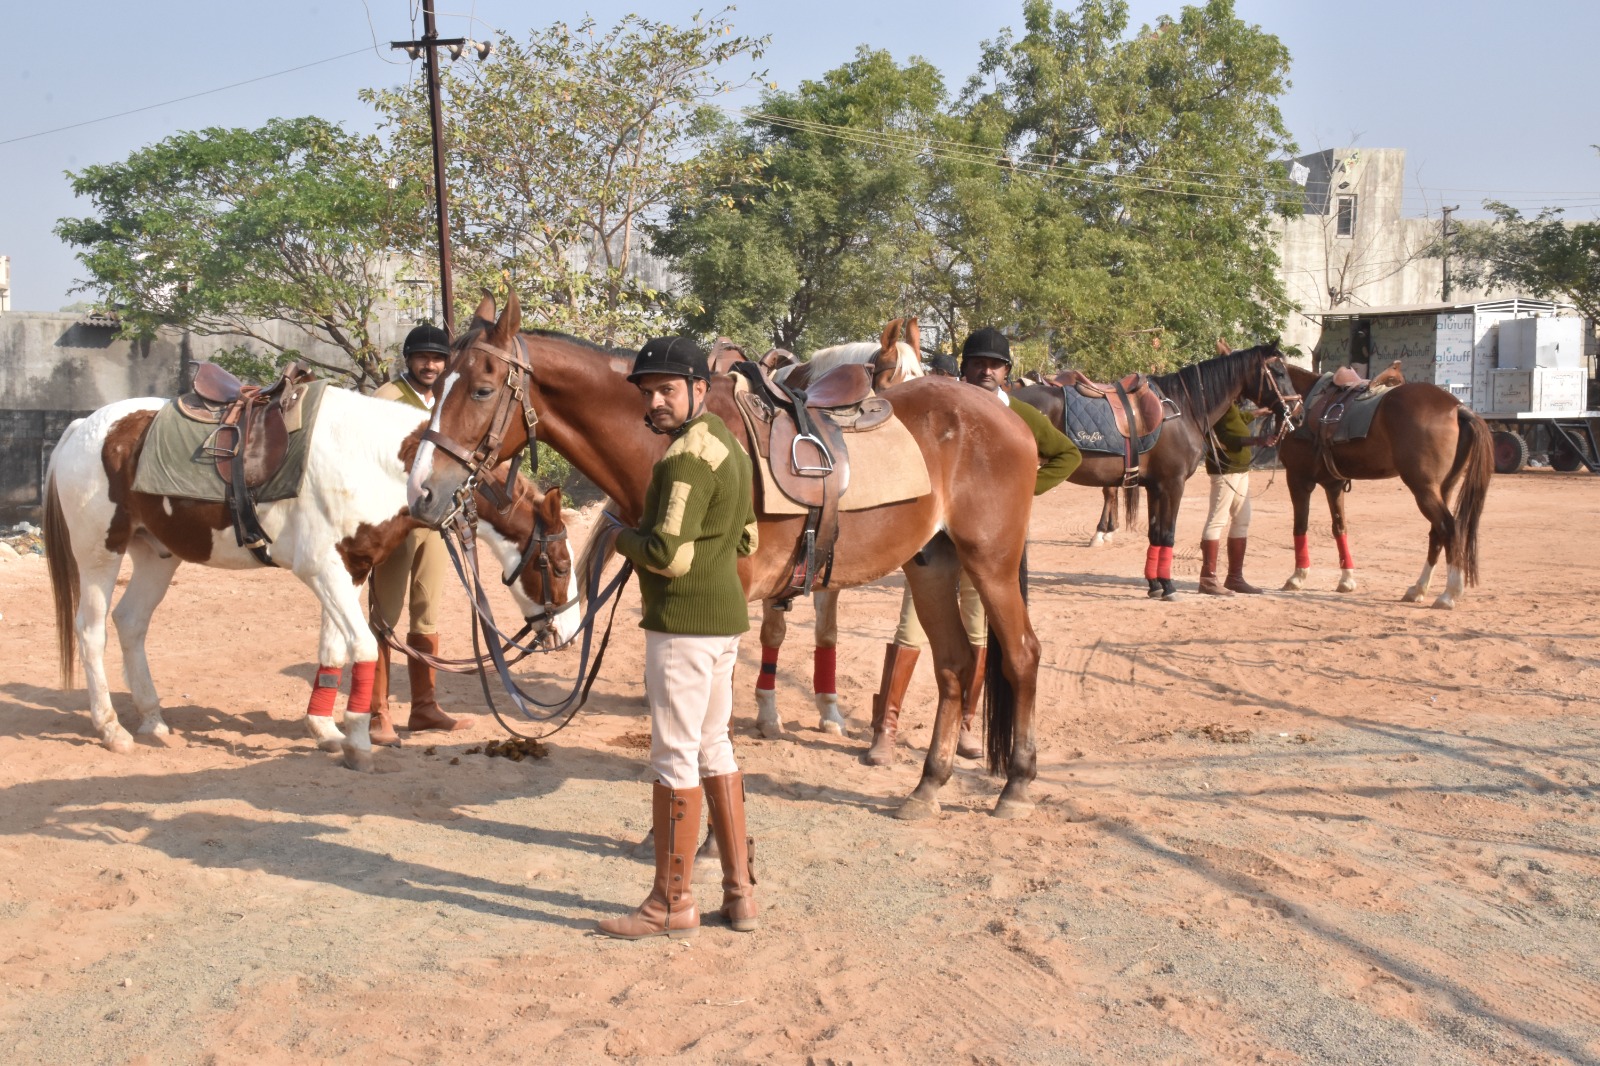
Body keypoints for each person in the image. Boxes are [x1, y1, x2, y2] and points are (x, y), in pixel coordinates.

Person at [599, 337, 759, 941]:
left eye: (668, 390)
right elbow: (745, 539)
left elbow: (666, 555)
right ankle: (739, 893)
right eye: (649, 392)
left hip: (683, 625)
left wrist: (619, 535)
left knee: (673, 756)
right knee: (715, 745)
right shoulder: (728, 445)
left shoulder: (685, 458)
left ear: (699, 389)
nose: (657, 401)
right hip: (723, 622)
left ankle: (671, 902)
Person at [865, 327, 1081, 765]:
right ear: (964, 368)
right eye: (978, 363)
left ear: (1007, 371)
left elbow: (1068, 455)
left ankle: (966, 722)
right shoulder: (937, 410)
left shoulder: (1019, 413)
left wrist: (1012, 497)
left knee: (981, 630)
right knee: (912, 626)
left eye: (995, 364)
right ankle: (886, 727)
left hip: (988, 537)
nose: (986, 370)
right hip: (929, 535)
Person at [367, 323, 469, 746]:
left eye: (439, 357)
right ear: (408, 359)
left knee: (427, 611)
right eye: (423, 357)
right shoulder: (386, 399)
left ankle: (424, 707)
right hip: (395, 520)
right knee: (385, 615)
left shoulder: (449, 399)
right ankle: (376, 711)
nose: (431, 364)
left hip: (436, 520)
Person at [1198, 402, 1269, 596]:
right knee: (1217, 520)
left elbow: (1236, 420)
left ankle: (1235, 578)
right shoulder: (1215, 405)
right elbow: (1227, 437)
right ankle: (1208, 579)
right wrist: (1257, 440)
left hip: (1239, 470)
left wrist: (1256, 413)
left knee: (1242, 519)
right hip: (1226, 470)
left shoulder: (1227, 403)